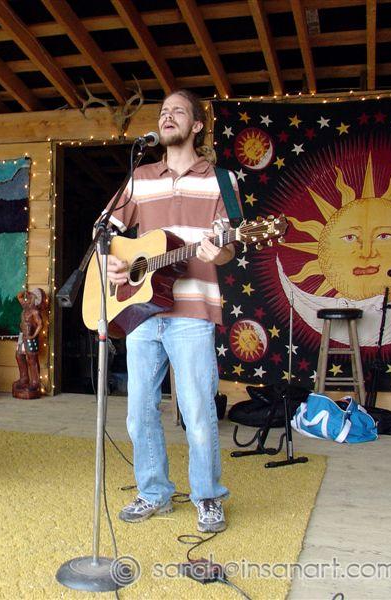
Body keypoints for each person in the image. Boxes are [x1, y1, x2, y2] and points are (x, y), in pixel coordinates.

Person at [104, 90, 240, 532]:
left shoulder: (222, 181)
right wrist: (114, 262)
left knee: (197, 411)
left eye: (177, 111)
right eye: (163, 112)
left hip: (193, 310)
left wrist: (218, 250)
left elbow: (230, 247)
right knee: (139, 410)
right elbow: (107, 232)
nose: (167, 116)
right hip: (141, 310)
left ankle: (208, 496)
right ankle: (153, 492)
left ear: (197, 125)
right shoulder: (140, 177)